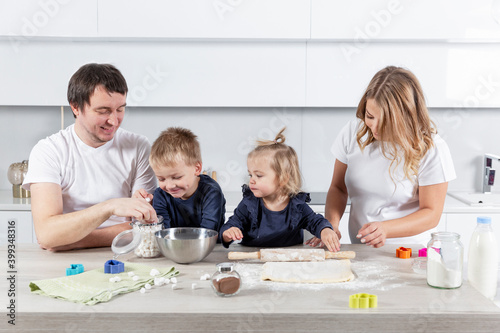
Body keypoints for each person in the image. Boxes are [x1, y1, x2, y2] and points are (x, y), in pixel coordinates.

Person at [307, 66, 456, 250]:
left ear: (406, 118)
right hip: (360, 249)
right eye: (370, 116)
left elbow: (431, 213)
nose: (375, 127)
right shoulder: (352, 134)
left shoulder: (432, 148)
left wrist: (386, 229)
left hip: (410, 252)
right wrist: (331, 224)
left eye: (386, 122)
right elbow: (338, 188)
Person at [22, 63, 158, 251]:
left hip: (125, 254)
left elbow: (144, 227)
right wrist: (110, 207)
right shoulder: (49, 151)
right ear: (76, 107)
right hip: (66, 262)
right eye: (103, 111)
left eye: (120, 109)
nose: (113, 120)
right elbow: (47, 234)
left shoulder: (138, 147)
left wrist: (71, 240)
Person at [220, 128, 338, 252]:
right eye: (251, 175)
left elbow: (315, 221)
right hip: (253, 260)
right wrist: (228, 233)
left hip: (288, 261)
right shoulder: (249, 204)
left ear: (283, 179)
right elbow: (232, 224)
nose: (251, 180)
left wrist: (325, 230)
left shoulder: (297, 206)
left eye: (258, 175)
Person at [134, 127, 226, 232]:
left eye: (177, 177)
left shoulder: (211, 192)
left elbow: (208, 232)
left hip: (207, 247)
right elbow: (162, 231)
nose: (169, 186)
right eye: (161, 179)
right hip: (173, 246)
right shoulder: (161, 195)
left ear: (197, 169)